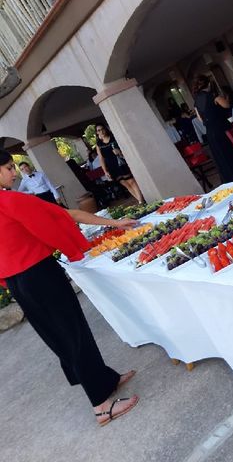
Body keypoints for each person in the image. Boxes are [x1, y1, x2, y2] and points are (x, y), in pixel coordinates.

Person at [0, 149, 139, 427]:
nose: (14, 173)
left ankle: (105, 379)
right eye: (7, 168)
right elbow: (64, 217)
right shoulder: (10, 201)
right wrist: (111, 225)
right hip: (38, 275)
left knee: (62, 335)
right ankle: (102, 405)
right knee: (72, 333)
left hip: (19, 282)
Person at [193, 74, 233, 182]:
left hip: (210, 133)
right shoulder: (213, 96)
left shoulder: (196, 102)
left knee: (222, 159)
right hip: (222, 130)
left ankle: (231, 182)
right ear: (209, 84)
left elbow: (201, 119)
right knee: (232, 156)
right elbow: (227, 105)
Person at [94, 124, 145, 204]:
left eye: (102, 129)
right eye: (99, 130)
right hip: (112, 166)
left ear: (105, 129)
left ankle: (141, 201)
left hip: (120, 162)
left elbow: (125, 148)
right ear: (97, 133)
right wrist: (105, 171)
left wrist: (119, 152)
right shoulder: (99, 144)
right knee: (125, 184)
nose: (101, 131)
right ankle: (140, 201)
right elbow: (101, 158)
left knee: (131, 181)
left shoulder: (113, 138)